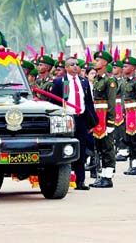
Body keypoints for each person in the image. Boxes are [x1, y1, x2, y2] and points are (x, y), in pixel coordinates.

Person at [50, 56, 97, 191]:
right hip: (66, 119)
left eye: (77, 64)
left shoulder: (84, 82)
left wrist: (92, 122)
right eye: (72, 64)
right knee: (64, 148)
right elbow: (53, 103)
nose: (76, 66)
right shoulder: (60, 82)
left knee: (81, 150)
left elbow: (88, 102)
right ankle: (63, 179)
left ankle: (80, 181)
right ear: (66, 67)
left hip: (81, 118)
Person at [90, 48, 118, 189]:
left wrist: (111, 122)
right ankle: (101, 175)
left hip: (105, 116)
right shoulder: (96, 79)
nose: (95, 62)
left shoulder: (110, 80)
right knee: (99, 146)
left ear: (105, 62)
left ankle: (108, 177)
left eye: (98, 60)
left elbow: (112, 102)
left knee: (107, 147)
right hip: (97, 116)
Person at [119, 53, 136, 175]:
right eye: (123, 66)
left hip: (134, 114)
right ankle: (134, 163)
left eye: (126, 66)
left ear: (133, 68)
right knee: (129, 139)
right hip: (126, 113)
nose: (124, 68)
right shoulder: (124, 82)